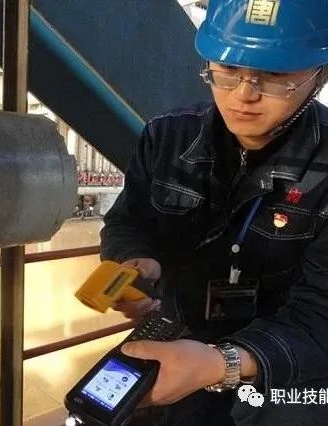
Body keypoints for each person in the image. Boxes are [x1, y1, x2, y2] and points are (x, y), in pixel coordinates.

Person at [100, 1, 328, 425]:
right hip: (177, 336)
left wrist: (223, 363)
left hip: (284, 359)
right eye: (227, 70)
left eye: (274, 75)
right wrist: (134, 259)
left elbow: (321, 314)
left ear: (319, 75)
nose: (244, 94)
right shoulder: (166, 137)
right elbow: (128, 220)